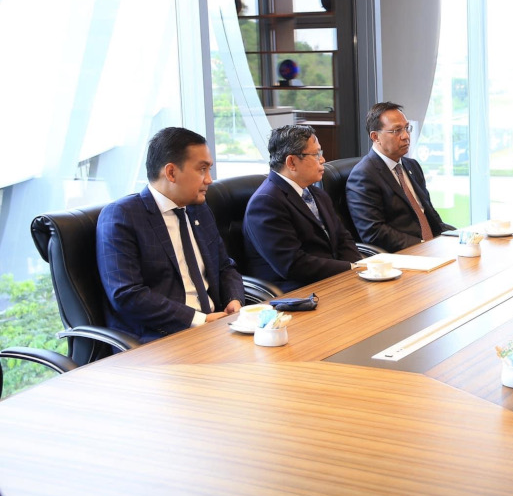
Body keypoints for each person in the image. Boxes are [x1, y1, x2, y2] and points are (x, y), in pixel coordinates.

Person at [96, 127, 243, 342]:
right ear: (171, 172)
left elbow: (224, 266)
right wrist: (198, 320)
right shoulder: (122, 216)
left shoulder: (199, 208)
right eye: (202, 169)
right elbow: (127, 295)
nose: (209, 180)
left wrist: (234, 299)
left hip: (217, 328)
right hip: (161, 339)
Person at [243, 125, 362, 292]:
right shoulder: (266, 203)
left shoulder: (316, 193)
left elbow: (343, 238)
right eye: (316, 155)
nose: (323, 160)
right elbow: (293, 265)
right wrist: (349, 268)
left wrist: (356, 268)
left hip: (332, 281)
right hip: (297, 294)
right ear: (291, 162)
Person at [346, 102, 455, 252]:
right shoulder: (363, 175)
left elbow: (428, 212)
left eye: (406, 128)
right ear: (375, 136)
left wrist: (453, 237)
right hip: (404, 255)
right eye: (397, 130)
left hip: (433, 248)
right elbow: (374, 232)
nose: (406, 136)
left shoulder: (412, 166)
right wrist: (423, 246)